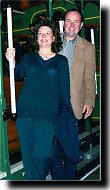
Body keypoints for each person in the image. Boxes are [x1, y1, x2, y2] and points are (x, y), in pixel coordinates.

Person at [5, 19, 72, 180]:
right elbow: (17, 74)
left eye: (48, 33)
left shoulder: (61, 61)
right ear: (36, 38)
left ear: (54, 37)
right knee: (28, 157)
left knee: (42, 155)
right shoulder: (29, 58)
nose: (44, 36)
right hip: (26, 112)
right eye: (40, 33)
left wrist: (65, 116)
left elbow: (64, 92)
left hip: (48, 115)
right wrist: (11, 60)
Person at [51, 8, 96, 180]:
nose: (72, 25)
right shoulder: (52, 42)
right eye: (69, 21)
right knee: (53, 142)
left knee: (70, 143)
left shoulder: (88, 48)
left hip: (73, 102)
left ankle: (69, 179)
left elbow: (89, 78)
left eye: (76, 22)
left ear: (81, 25)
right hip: (51, 101)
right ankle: (57, 178)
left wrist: (89, 100)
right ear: (63, 23)